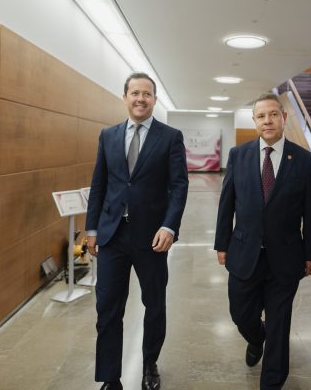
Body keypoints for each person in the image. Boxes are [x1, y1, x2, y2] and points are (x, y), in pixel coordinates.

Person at [85, 72, 189, 390]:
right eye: (134, 93)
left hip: (152, 238)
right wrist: (92, 228)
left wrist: (169, 225)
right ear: (125, 97)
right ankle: (110, 377)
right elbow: (99, 184)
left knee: (154, 305)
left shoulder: (170, 137)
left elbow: (179, 185)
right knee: (108, 308)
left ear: (154, 99)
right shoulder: (108, 135)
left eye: (146, 93)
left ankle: (149, 365)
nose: (140, 98)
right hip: (113, 235)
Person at [214, 93, 311, 390]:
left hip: (286, 257)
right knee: (241, 314)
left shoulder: (304, 160)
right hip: (243, 251)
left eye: (273, 114)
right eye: (261, 116)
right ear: (254, 121)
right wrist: (222, 244)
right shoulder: (239, 155)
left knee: (279, 323)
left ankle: (272, 382)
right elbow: (227, 204)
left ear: (284, 118)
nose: (268, 120)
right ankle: (255, 337)